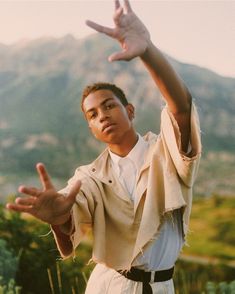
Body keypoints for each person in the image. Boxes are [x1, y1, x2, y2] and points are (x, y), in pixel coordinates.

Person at [6, 1, 201, 293]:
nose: (103, 116)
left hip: (162, 286)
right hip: (110, 285)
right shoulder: (89, 176)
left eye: (110, 105)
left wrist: (147, 51)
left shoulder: (166, 155)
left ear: (130, 110)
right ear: (91, 129)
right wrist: (59, 216)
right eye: (93, 115)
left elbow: (181, 109)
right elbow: (71, 217)